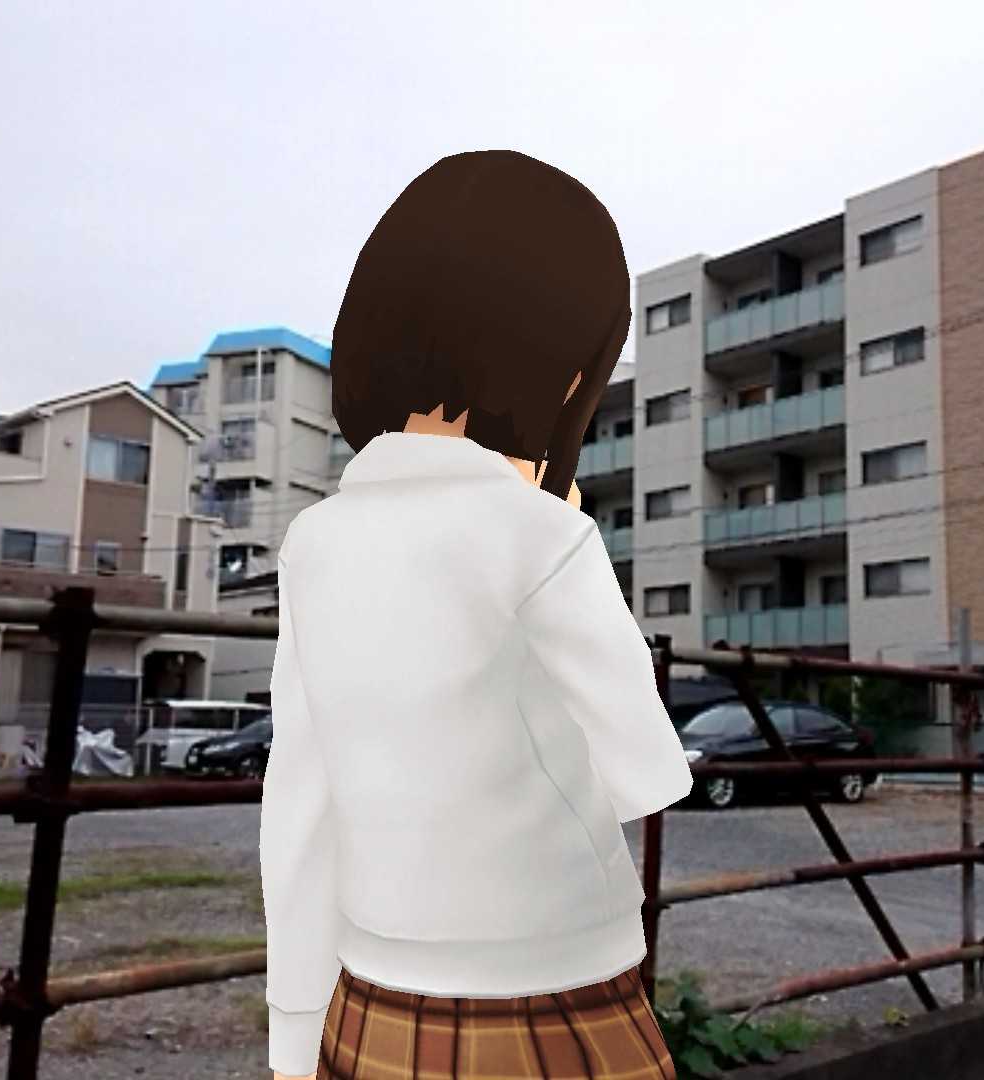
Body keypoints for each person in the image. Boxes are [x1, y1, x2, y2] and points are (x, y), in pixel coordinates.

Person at [261, 150, 692, 1080]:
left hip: (368, 998)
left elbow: (297, 801)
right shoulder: (541, 534)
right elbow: (649, 772)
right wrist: (566, 528)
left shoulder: (313, 544)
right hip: (554, 989)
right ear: (567, 370)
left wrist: (294, 1033)